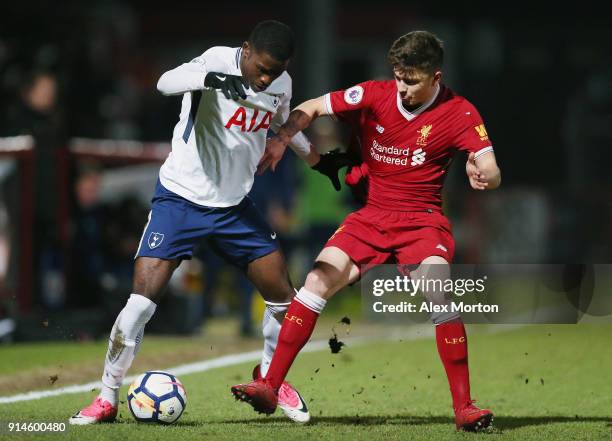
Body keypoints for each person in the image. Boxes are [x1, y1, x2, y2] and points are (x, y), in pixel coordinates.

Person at [69, 20, 348, 425]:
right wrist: (211, 79)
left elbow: (279, 125)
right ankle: (107, 397)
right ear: (246, 49)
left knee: (287, 303)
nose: (265, 77)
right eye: (261, 68)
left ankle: (270, 380)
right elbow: (165, 82)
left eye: (275, 70)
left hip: (234, 207)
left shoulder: (280, 83)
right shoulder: (218, 60)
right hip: (180, 200)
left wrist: (317, 161)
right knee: (139, 306)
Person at [232, 30, 501, 432]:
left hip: (422, 220)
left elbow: (492, 169)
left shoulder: (460, 112)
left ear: (436, 77)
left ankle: (464, 408)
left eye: (412, 80)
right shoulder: (373, 93)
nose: (403, 88)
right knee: (315, 280)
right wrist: (284, 136)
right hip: (371, 217)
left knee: (438, 288)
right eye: (399, 77)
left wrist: (483, 171)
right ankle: (270, 387)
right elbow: (312, 106)